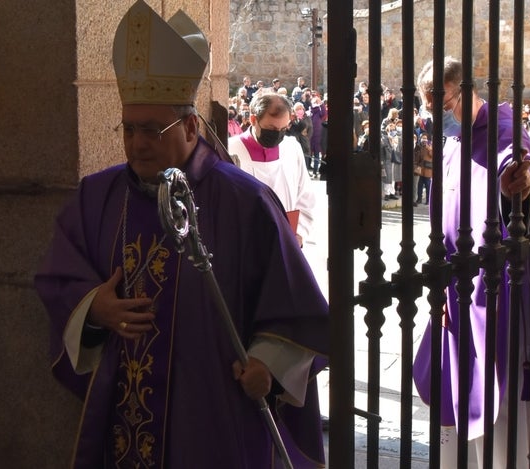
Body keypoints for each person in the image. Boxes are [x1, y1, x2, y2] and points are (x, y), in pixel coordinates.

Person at [34, 2, 328, 467]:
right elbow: (58, 276)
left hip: (211, 413)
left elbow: (294, 306)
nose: (137, 143)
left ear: (192, 126)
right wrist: (95, 309)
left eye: (152, 128)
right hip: (123, 414)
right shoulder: (98, 196)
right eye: (129, 128)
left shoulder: (245, 203)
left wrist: (267, 364)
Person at [412, 56, 530, 468]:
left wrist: (518, 187)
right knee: (467, 390)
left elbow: (515, 161)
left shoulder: (504, 131)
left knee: (505, 401)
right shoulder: (454, 142)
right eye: (429, 107)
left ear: (469, 92)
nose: (438, 115)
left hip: (505, 293)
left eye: (444, 104)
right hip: (460, 288)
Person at [228, 92, 317, 248]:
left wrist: (299, 234)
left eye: (283, 128)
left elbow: (305, 196)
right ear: (253, 119)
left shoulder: (292, 148)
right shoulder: (230, 150)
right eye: (271, 128)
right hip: (244, 245)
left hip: (287, 242)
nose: (277, 134)